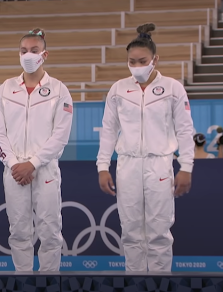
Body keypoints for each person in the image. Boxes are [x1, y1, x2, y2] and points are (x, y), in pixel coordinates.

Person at [96, 23, 195, 272]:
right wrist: (102, 166)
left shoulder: (173, 88)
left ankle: (160, 283)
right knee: (130, 232)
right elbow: (108, 129)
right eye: (132, 61)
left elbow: (185, 129)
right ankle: (135, 281)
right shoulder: (118, 89)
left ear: (155, 59)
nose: (137, 66)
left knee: (159, 232)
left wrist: (186, 166)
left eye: (143, 61)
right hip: (127, 164)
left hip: (159, 163)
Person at [0, 28, 74, 272]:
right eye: (23, 51)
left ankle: (49, 279)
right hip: (14, 170)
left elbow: (60, 136)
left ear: (44, 55)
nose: (28, 55)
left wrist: (34, 163)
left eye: (34, 51)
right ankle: (23, 279)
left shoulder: (59, 90)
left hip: (45, 169)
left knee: (50, 231)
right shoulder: (5, 89)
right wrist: (14, 164)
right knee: (18, 231)